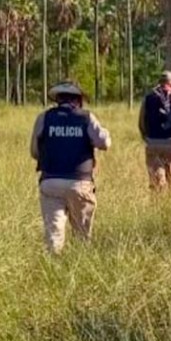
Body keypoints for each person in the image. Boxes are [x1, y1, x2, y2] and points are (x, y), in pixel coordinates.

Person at [30, 82, 111, 253]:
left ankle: (54, 265)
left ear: (58, 99)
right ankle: (79, 265)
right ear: (79, 100)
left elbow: (35, 152)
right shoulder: (86, 117)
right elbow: (104, 143)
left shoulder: (44, 118)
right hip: (79, 183)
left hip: (50, 183)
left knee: (54, 234)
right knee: (82, 235)